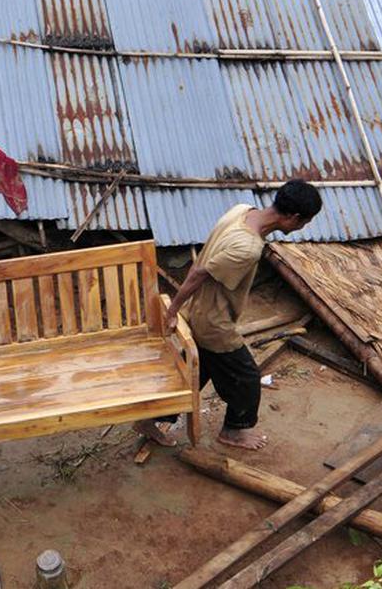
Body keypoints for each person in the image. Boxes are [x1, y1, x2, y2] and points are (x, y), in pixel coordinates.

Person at [135, 180, 322, 451]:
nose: (303, 227)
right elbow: (199, 273)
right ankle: (233, 431)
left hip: (201, 310)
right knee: (245, 379)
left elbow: (201, 265)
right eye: (305, 222)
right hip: (213, 323)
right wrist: (172, 310)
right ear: (293, 217)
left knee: (195, 373)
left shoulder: (242, 210)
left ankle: (150, 419)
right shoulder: (247, 248)